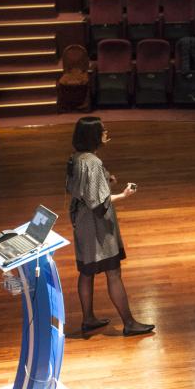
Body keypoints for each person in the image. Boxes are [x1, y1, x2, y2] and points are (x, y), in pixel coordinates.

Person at [66, 118, 153, 337]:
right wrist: (123, 195)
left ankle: (88, 319)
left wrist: (106, 179)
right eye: (102, 129)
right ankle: (129, 323)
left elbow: (78, 187)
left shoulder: (75, 158)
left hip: (81, 222)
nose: (106, 131)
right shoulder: (93, 162)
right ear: (93, 135)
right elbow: (98, 202)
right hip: (97, 227)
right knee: (113, 272)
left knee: (86, 273)